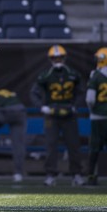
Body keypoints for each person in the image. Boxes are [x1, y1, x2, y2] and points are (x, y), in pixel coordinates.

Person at [30, 44, 85, 186]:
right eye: (55, 57)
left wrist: (75, 106)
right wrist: (42, 107)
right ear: (50, 59)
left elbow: (81, 92)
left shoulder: (73, 74)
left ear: (64, 57)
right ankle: (50, 175)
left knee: (73, 145)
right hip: (52, 113)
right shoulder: (46, 75)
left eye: (60, 57)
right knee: (50, 145)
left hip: (69, 113)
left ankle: (77, 174)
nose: (58, 60)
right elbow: (34, 93)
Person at [0, 89, 27, 182]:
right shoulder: (6, 93)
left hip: (8, 111)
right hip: (21, 111)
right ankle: (18, 173)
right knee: (18, 145)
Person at [85, 47, 107, 185]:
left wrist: (93, 110)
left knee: (94, 148)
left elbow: (90, 99)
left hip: (98, 117)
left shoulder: (96, 76)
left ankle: (91, 176)